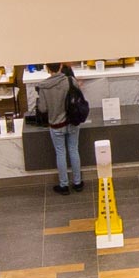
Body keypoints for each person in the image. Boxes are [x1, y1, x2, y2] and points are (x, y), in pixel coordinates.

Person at [33, 63, 84, 195]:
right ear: (61, 66)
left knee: (60, 153)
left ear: (47, 68)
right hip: (72, 122)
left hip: (56, 125)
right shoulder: (70, 80)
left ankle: (64, 185)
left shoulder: (43, 86)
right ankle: (78, 183)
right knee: (74, 150)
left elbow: (43, 109)